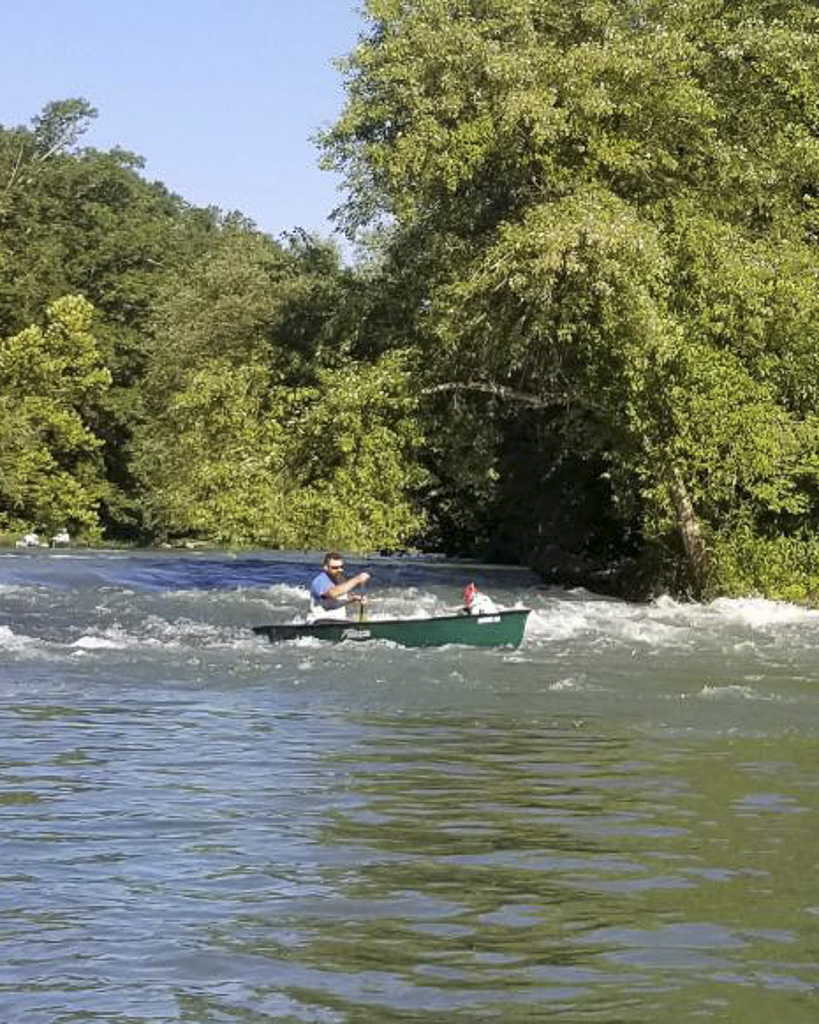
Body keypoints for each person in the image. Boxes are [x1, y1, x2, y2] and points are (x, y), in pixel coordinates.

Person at [307, 552, 371, 623]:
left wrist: (355, 598)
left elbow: (339, 599)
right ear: (325, 568)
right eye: (335, 568)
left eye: (341, 567)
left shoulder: (340, 580)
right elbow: (332, 594)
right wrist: (357, 579)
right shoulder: (320, 581)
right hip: (319, 623)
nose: (340, 570)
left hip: (339, 623)